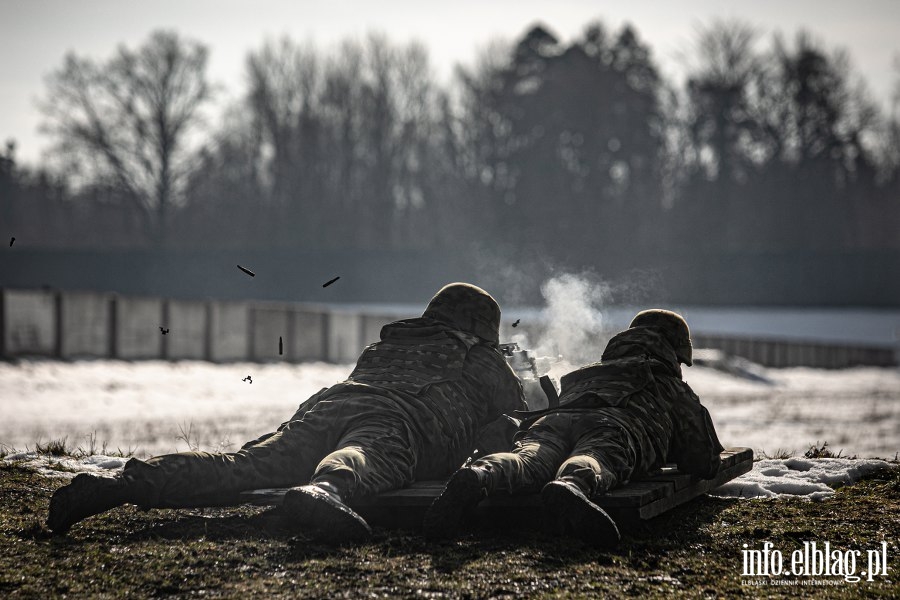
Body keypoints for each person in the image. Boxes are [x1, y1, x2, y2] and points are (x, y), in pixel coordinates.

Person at [48, 283, 525, 542]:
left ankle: (126, 483)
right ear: (481, 327)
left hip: (327, 406)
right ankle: (322, 492)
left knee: (243, 463)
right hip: (399, 421)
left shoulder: (386, 344)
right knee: (365, 456)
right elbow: (520, 416)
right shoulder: (480, 357)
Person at [423, 309, 723, 549]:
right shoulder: (667, 382)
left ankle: (479, 476)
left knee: (529, 460)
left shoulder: (588, 372)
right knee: (596, 456)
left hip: (555, 420)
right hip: (614, 426)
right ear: (672, 351)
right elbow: (701, 461)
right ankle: (571, 487)